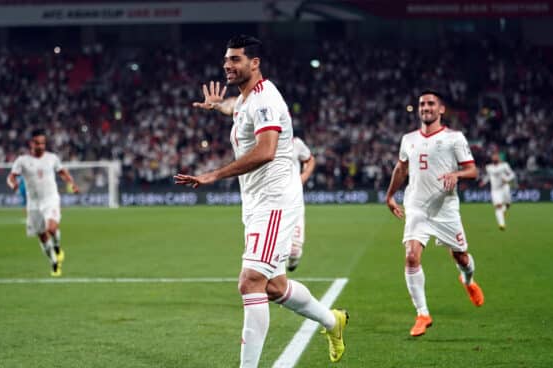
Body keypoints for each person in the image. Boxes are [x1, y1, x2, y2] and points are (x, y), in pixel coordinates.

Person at [176, 35, 348, 367]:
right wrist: (217, 105)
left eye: (236, 59)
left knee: (250, 281)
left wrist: (212, 175)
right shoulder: (245, 99)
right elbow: (234, 108)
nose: (228, 64)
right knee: (273, 286)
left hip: (274, 202)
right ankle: (332, 321)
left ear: (254, 63)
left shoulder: (266, 99)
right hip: (256, 203)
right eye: (227, 59)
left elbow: (266, 150)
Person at [385, 90, 485, 337]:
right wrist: (389, 195)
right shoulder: (408, 139)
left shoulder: (454, 138)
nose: (425, 107)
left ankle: (468, 281)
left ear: (441, 110)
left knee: (461, 257)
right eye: (422, 104)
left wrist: (456, 174)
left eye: (431, 104)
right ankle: (422, 313)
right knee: (411, 256)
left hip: (445, 209)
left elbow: (473, 171)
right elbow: (401, 168)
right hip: (417, 207)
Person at [7, 129, 79, 277]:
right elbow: (11, 177)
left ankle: (58, 247)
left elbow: (62, 172)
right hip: (33, 204)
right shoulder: (22, 161)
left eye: (43, 143)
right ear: (31, 144)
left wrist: (72, 183)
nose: (41, 146)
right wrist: (13, 184)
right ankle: (54, 261)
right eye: (38, 143)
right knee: (42, 236)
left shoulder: (52, 158)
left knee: (51, 228)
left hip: (50, 199)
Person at [287, 136, 315, 271]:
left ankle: (293, 258)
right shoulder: (263, 141)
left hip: (293, 197)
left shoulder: (295, 143)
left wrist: (302, 178)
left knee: (294, 251)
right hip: (270, 198)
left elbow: (310, 159)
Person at [479, 152, 515, 230]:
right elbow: (488, 176)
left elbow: (512, 174)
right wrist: (483, 182)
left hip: (505, 187)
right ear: (492, 158)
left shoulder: (505, 165)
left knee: (508, 204)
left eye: (496, 156)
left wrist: (507, 179)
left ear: (499, 157)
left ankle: (504, 210)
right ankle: (501, 224)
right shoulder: (488, 167)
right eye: (493, 156)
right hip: (495, 190)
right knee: (498, 206)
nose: (495, 158)